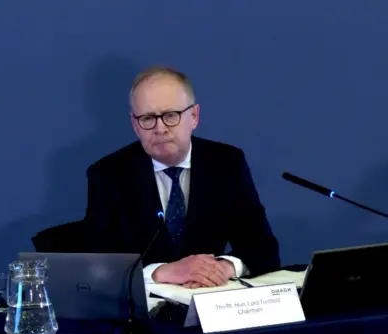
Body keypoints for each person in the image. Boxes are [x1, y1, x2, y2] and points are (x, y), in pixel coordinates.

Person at [83, 66, 280, 288]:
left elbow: (263, 248)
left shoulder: (227, 163)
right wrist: (160, 272)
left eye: (170, 116)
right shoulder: (108, 174)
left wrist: (222, 267)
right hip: (145, 314)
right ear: (135, 125)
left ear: (194, 116)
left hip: (211, 302)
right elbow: (98, 265)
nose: (160, 128)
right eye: (147, 118)